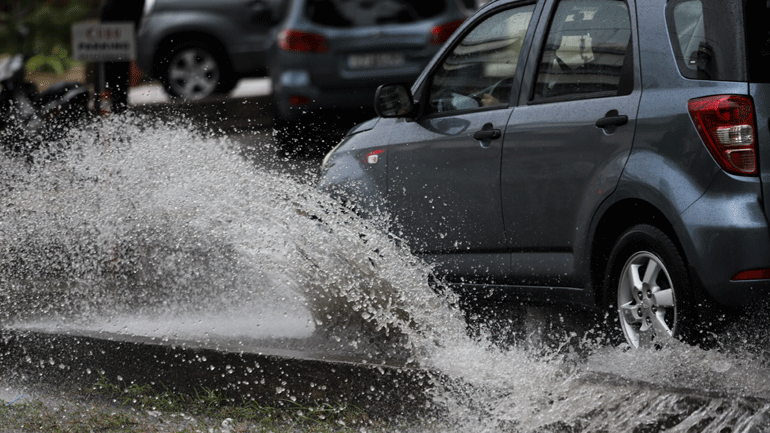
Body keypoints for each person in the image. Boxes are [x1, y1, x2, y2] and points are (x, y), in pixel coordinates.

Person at [99, 0, 145, 112]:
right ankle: (112, 104)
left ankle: (117, 106)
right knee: (111, 76)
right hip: (113, 34)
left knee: (119, 78)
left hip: (123, 33)